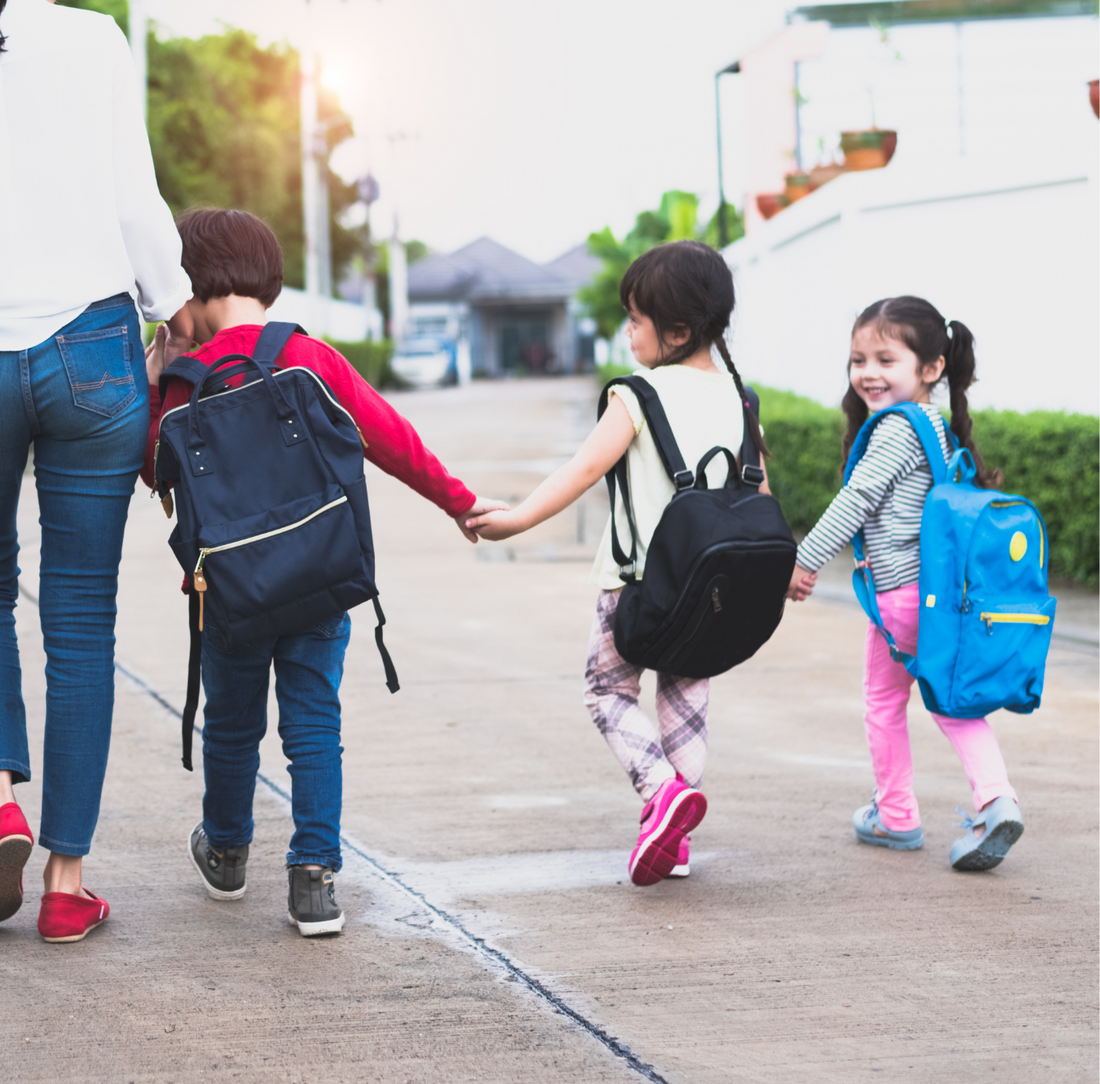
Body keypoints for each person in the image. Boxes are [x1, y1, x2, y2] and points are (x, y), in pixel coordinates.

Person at [141, 207, 505, 935]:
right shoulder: (311, 357)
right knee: (313, 722)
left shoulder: (187, 378)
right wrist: (457, 502)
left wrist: (154, 374)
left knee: (233, 725)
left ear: (192, 281)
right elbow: (389, 438)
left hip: (229, 595)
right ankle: (314, 878)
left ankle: (228, 854)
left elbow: (154, 470)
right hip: (318, 577)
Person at [468, 240, 802, 886]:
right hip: (715, 590)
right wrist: (783, 568)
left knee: (607, 691)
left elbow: (584, 467)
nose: (628, 332)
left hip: (636, 585)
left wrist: (515, 520)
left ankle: (660, 791)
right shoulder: (743, 398)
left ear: (676, 330)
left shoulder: (636, 395)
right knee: (687, 696)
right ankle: (675, 843)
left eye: (635, 319)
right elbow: (759, 494)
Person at [0, 0, 196, 941]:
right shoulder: (94, 38)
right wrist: (176, 302)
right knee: (80, 614)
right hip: (89, 342)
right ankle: (67, 883)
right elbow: (132, 204)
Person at [788, 296, 1024, 870]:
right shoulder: (936, 427)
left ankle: (896, 814)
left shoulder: (895, 431)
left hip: (901, 600)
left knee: (884, 703)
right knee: (953, 705)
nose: (867, 372)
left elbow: (858, 498)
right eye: (858, 360)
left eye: (885, 359)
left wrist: (804, 559)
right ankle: (995, 800)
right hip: (936, 598)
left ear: (930, 368)